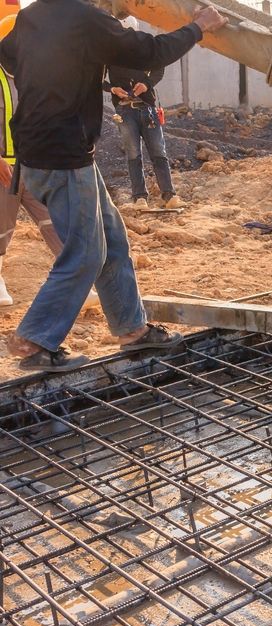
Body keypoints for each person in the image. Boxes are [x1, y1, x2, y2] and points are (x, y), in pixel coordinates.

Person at [0, 0, 226, 372]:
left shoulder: (32, 15)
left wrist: (75, 67)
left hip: (38, 151)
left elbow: (9, 59)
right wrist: (198, 26)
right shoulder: (88, 19)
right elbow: (150, 52)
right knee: (86, 253)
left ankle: (132, 329)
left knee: (112, 237)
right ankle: (35, 339)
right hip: (63, 154)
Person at [0, 14, 99, 310]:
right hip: (3, 165)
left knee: (55, 220)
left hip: (33, 160)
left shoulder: (29, 73)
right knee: (2, 225)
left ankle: (77, 282)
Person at [104, 15, 181, 210]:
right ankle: (140, 198)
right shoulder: (107, 54)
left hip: (147, 108)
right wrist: (112, 89)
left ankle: (168, 195)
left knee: (158, 152)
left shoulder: (144, 50)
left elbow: (159, 69)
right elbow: (96, 78)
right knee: (133, 155)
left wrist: (146, 85)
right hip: (125, 111)